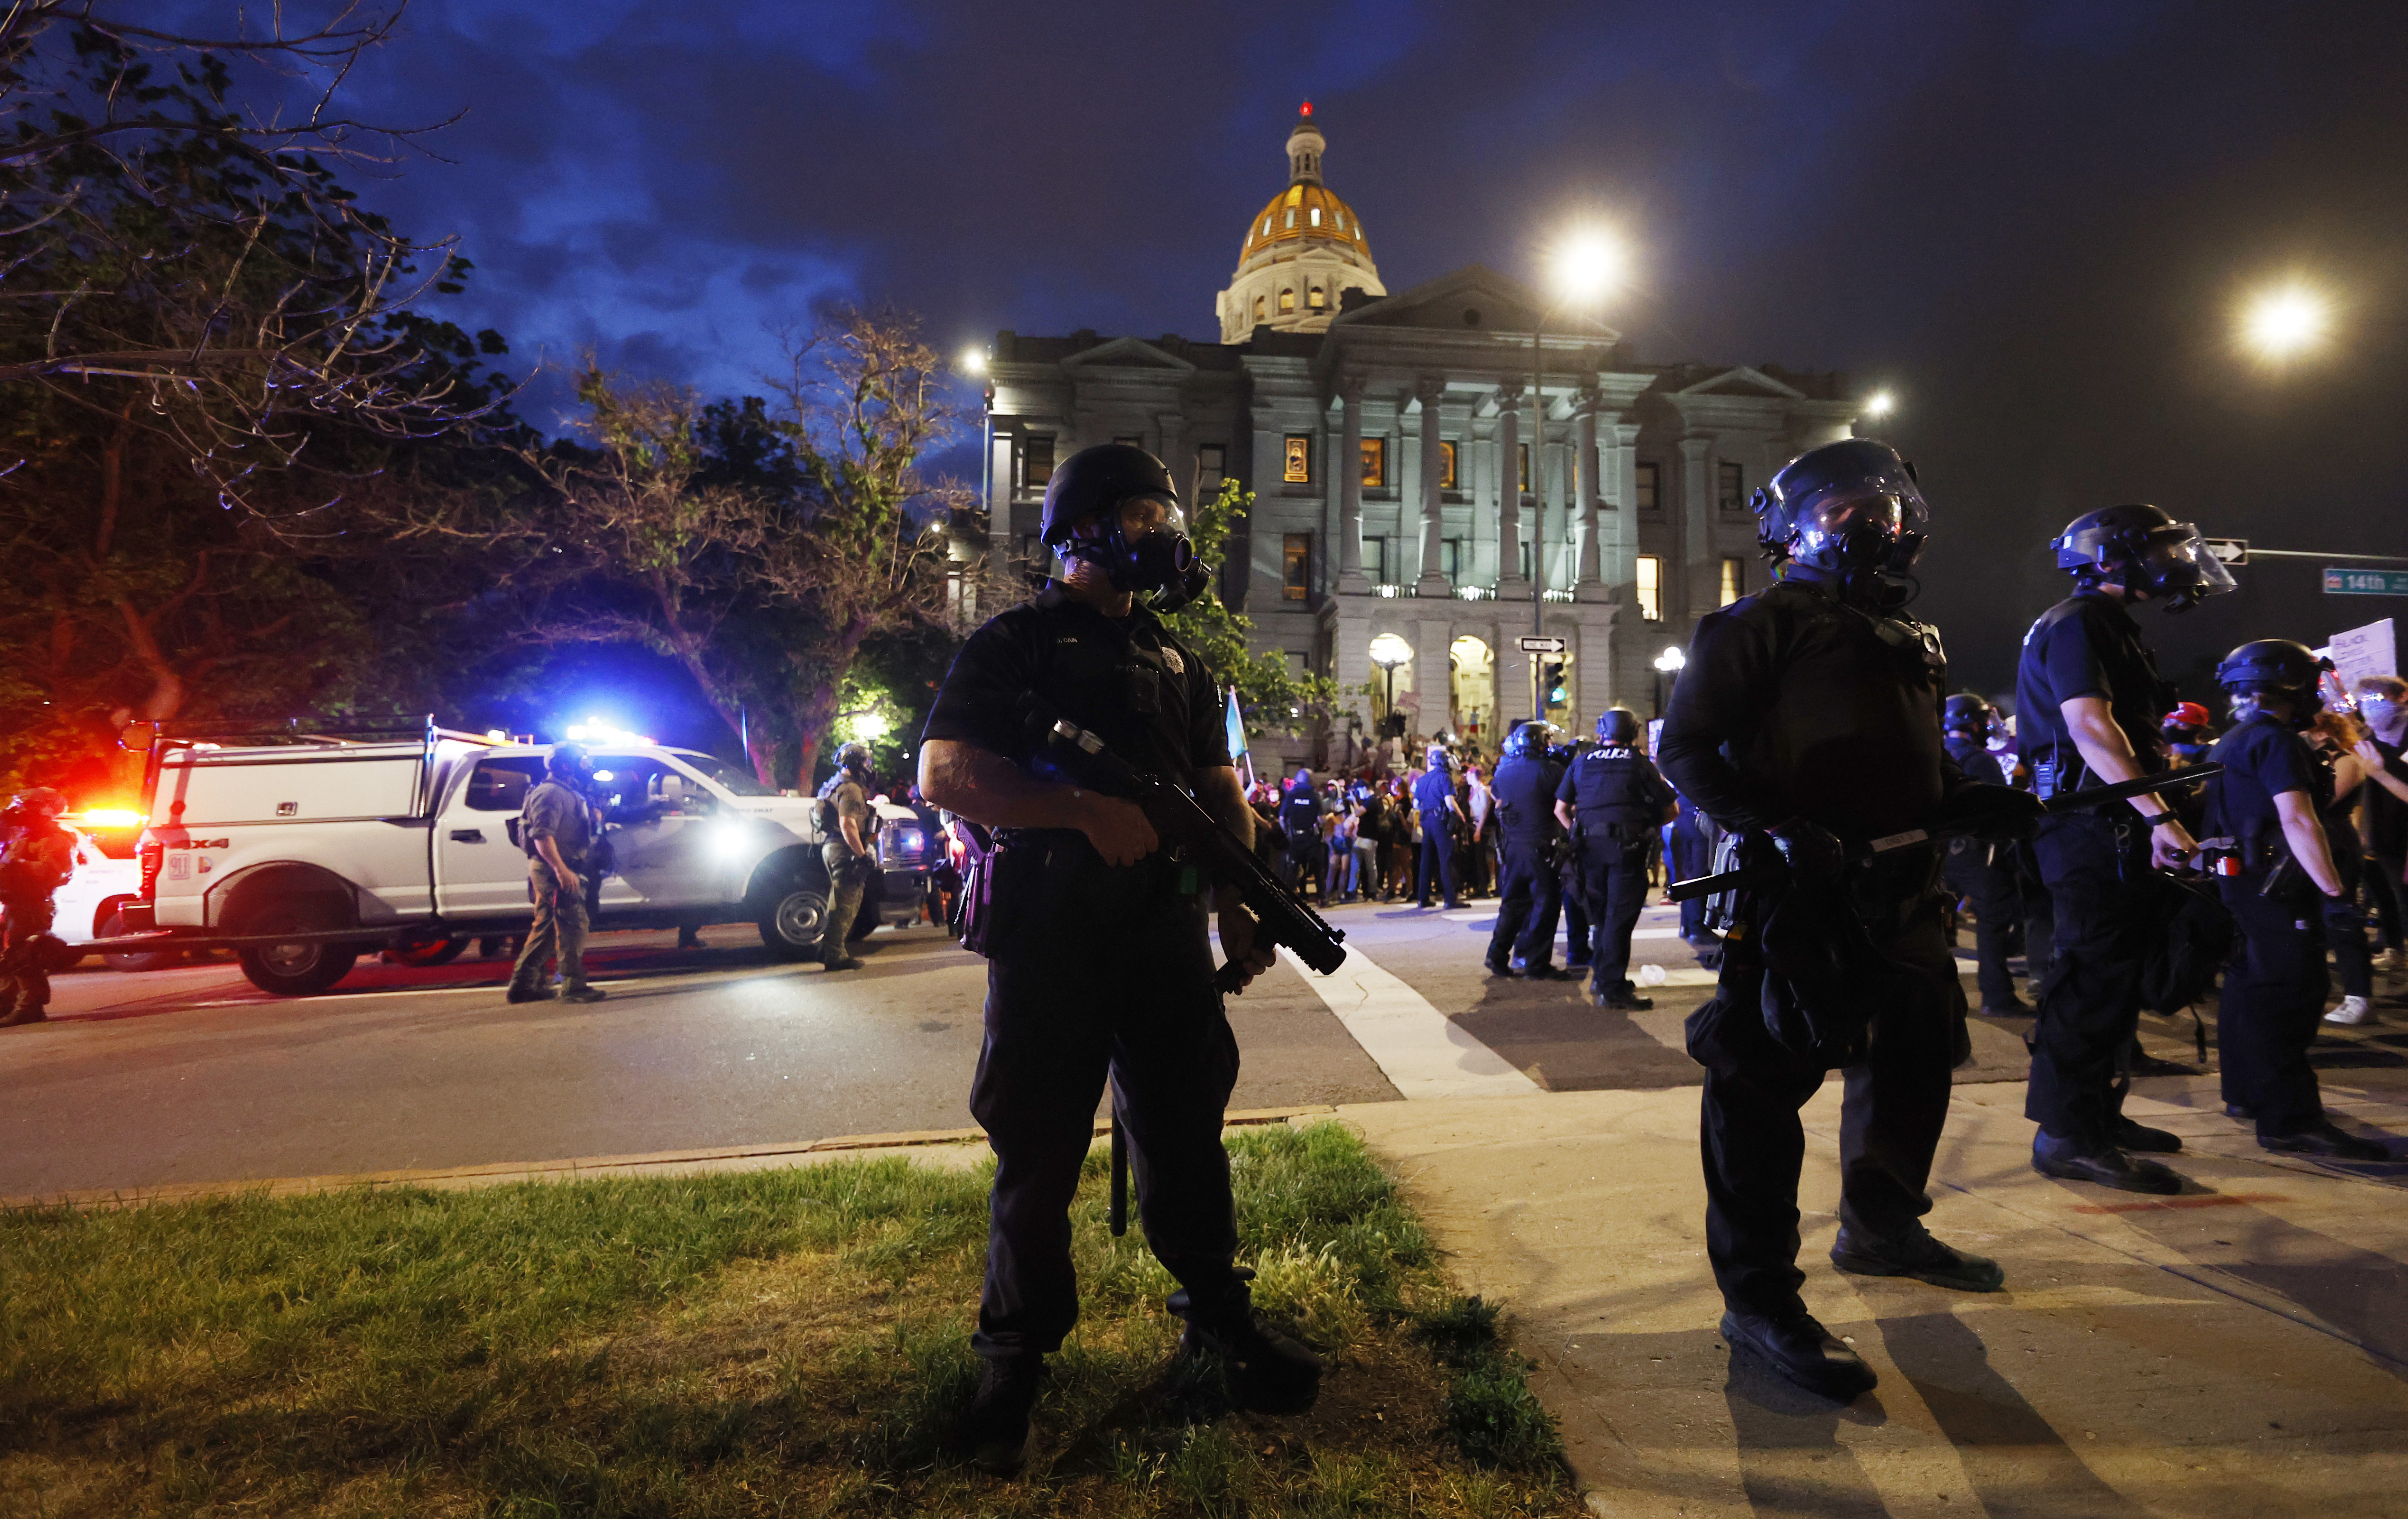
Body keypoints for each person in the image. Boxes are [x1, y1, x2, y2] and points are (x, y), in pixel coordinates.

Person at [915, 442, 1317, 1476]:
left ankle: (1218, 1321)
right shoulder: (1015, 645)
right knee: (1039, 1153)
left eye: (1162, 518)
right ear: (1079, 529)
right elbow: (946, 772)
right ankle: (1012, 1357)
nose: (1162, 536)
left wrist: (1240, 893)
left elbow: (1218, 789)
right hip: (1050, 935)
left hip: (1161, 937)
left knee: (1187, 1137)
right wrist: (1081, 809)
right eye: (1141, 518)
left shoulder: (1184, 662)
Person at [1660, 438, 2043, 1403]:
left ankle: (1880, 1226)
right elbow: (1689, 753)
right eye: (1843, 510)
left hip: (1904, 896)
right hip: (1795, 903)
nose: (1874, 524)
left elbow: (1903, 766)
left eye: (1887, 507)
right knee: (1758, 1088)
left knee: (1914, 1060)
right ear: (1791, 530)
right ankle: (1758, 1301)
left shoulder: (1907, 640)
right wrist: (1780, 827)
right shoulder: (1756, 624)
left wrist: (1968, 796)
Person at [2015, 502, 2234, 1194]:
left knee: (2113, 976)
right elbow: (2090, 727)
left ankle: (2097, 1116)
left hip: (2107, 823)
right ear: (2110, 558)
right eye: (2160, 550)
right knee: (2088, 978)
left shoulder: (2101, 622)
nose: (2174, 563)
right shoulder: (2079, 622)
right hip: (2091, 826)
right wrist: (2160, 818)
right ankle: (2068, 1135)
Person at [2202, 641, 2387, 1158]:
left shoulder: (2234, 738)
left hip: (2244, 886)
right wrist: (2334, 895)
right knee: (2290, 1000)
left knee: (2250, 992)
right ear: (2293, 685)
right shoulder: (2278, 742)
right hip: (2280, 890)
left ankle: (2247, 1095)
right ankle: (2291, 1120)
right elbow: (2299, 820)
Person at [1555, 709, 1675, 1010]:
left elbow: (1560, 809)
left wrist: (1579, 834)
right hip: (1625, 851)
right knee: (1619, 921)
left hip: (1588, 853)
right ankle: (1612, 989)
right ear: (1633, 732)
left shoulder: (1581, 762)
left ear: (1601, 732)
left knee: (1601, 919)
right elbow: (1672, 810)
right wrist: (1646, 830)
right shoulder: (1638, 764)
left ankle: (1605, 978)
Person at [1941, 692, 2029, 1016]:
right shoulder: (1979, 760)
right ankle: (1997, 995)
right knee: (1993, 922)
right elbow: (1996, 810)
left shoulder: (1939, 754)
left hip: (1943, 851)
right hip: (1979, 853)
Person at [508, 744, 608, 1005]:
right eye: (581, 761)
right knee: (573, 924)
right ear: (566, 765)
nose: (586, 766)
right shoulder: (550, 793)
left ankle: (523, 987)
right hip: (554, 869)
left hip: (561, 867)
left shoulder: (568, 791)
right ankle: (574, 986)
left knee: (546, 930)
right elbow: (542, 836)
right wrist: (561, 870)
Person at [2304, 710, 2376, 1026]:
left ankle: (2358, 996)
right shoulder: (2312, 760)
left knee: (2342, 920)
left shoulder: (2346, 760)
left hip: (2337, 845)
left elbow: (2324, 803)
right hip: (2312, 843)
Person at [1486, 721, 1571, 978]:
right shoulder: (1552, 770)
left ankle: (1497, 955)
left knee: (1512, 905)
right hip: (1541, 845)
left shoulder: (1503, 771)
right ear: (1540, 741)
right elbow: (1565, 803)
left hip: (1512, 847)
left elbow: (1498, 800)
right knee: (1545, 905)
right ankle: (1537, 963)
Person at [2349, 675, 2408, 979]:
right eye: (2363, 702)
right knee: (2393, 901)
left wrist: (2380, 774)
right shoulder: (2370, 742)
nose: (2369, 708)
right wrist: (2362, 829)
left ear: (2402, 697)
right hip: (2383, 836)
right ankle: (2396, 952)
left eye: (2376, 699)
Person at [0, 788, 75, 1027]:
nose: (22, 813)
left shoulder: (55, 840)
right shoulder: (22, 838)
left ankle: (31, 1005)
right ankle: (7, 1002)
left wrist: (19, 865)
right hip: (14, 903)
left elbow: (53, 874)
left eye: (29, 808)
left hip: (34, 904)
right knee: (7, 955)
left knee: (23, 953)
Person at [812, 742, 880, 971]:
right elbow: (848, 824)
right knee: (846, 904)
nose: (869, 767)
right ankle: (835, 956)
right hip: (844, 849)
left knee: (838, 901)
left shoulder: (832, 785)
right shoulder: (850, 789)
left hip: (831, 847)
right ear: (855, 763)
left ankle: (827, 950)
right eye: (865, 762)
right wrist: (862, 855)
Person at [1414, 744, 1463, 909]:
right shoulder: (1445, 778)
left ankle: (1423, 898)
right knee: (1446, 859)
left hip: (1426, 821)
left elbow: (1416, 804)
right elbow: (1450, 803)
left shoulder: (1422, 779)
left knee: (1426, 860)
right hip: (1440, 821)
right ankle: (1450, 899)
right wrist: (1458, 816)